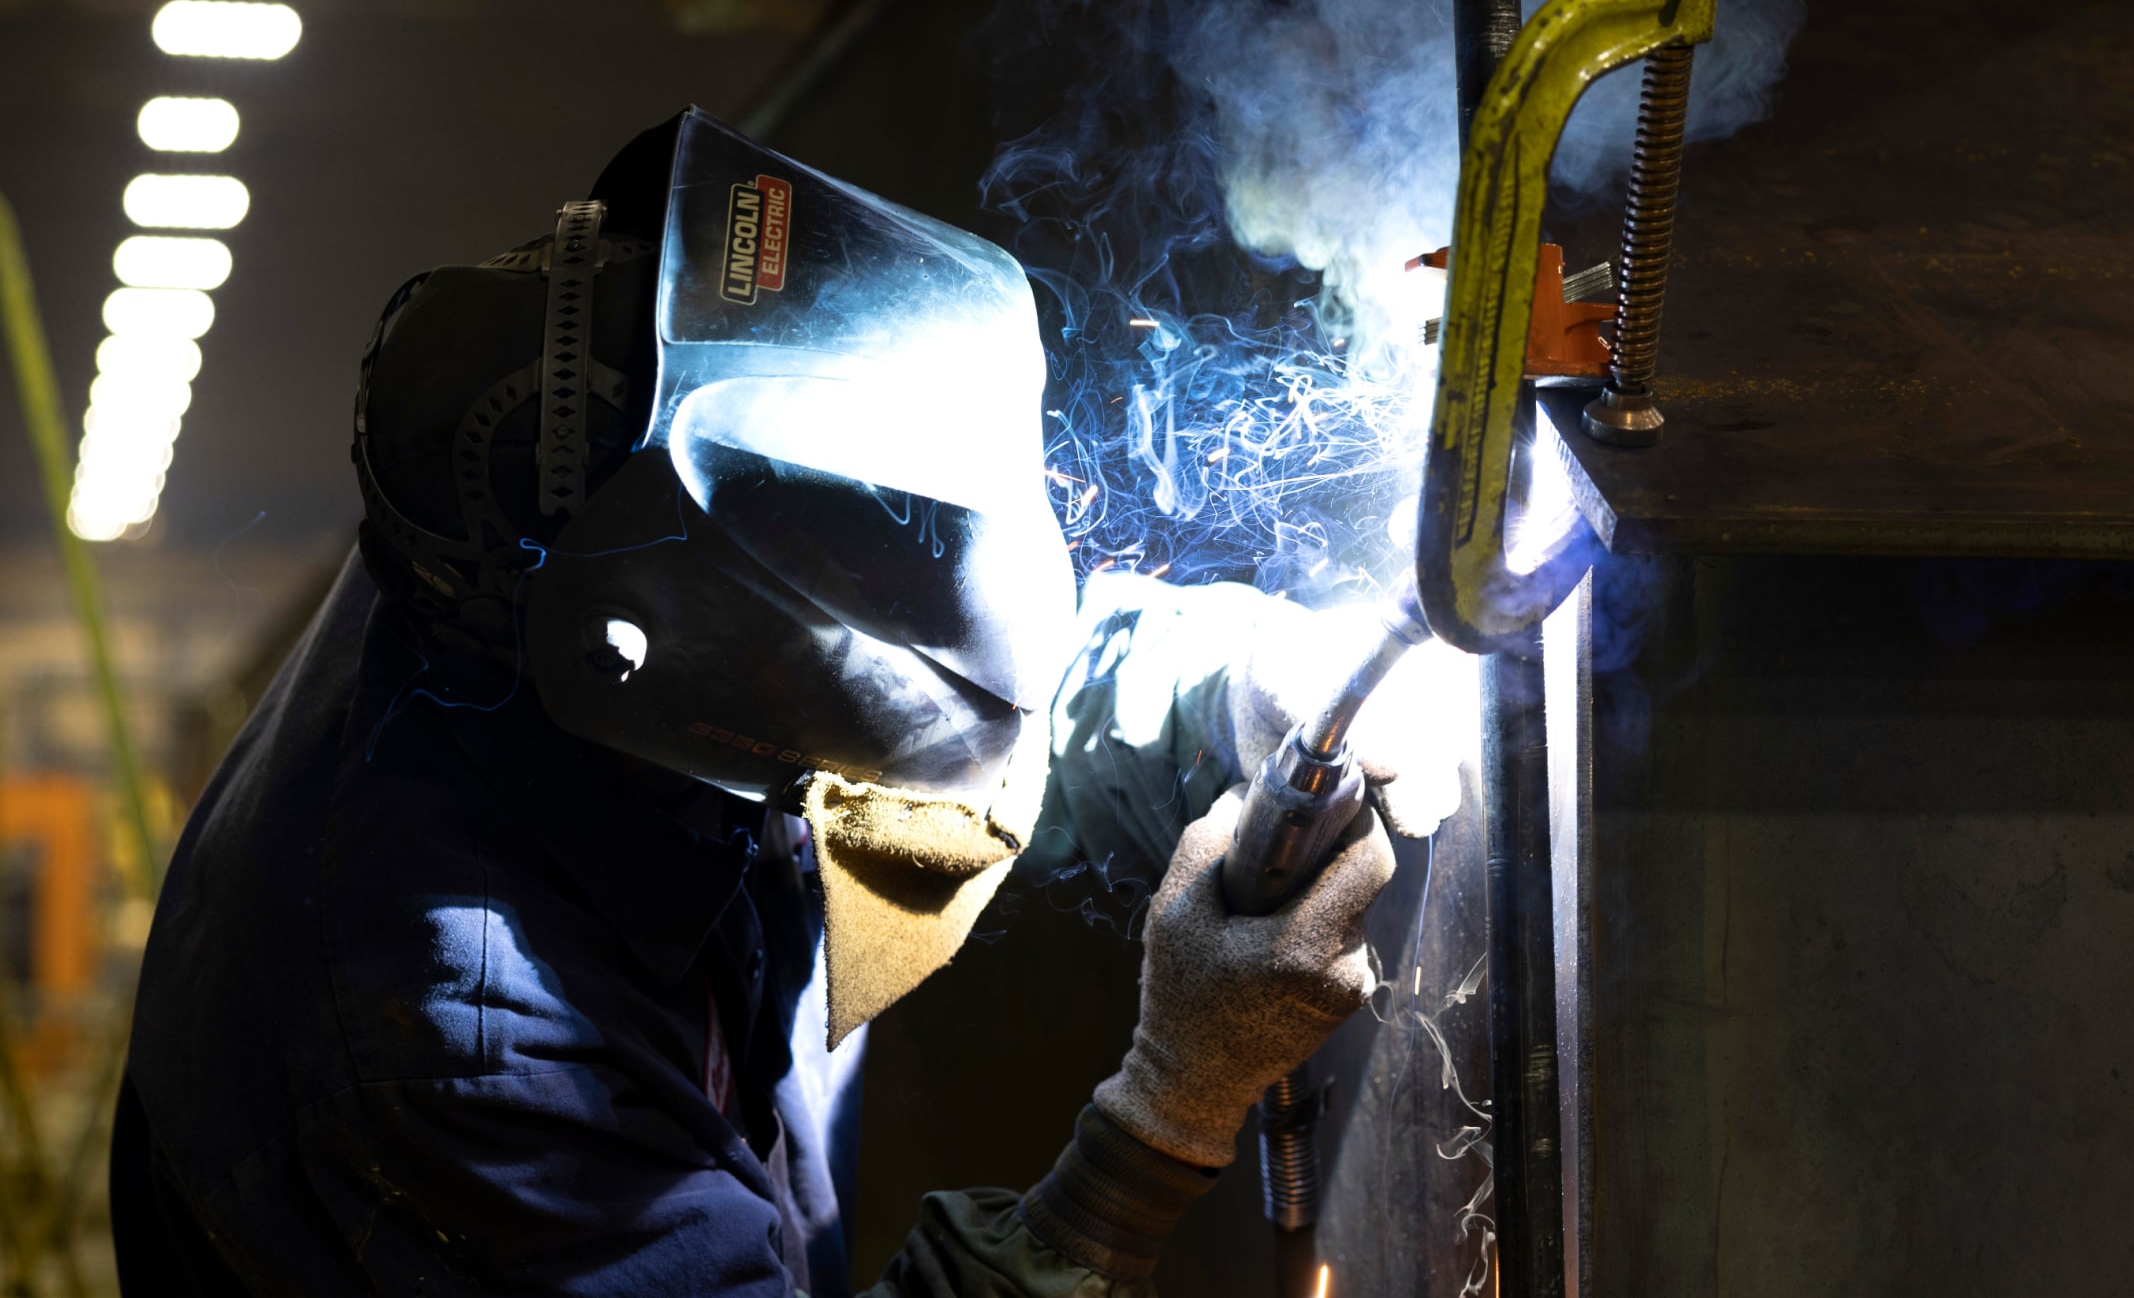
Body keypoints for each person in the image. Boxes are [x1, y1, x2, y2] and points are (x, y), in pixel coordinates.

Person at [110, 109, 1457, 1296]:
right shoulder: (465, 1048)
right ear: (694, 678)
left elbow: (908, 640)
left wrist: (1220, 687)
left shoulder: (584, 525)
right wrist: (1163, 1114)